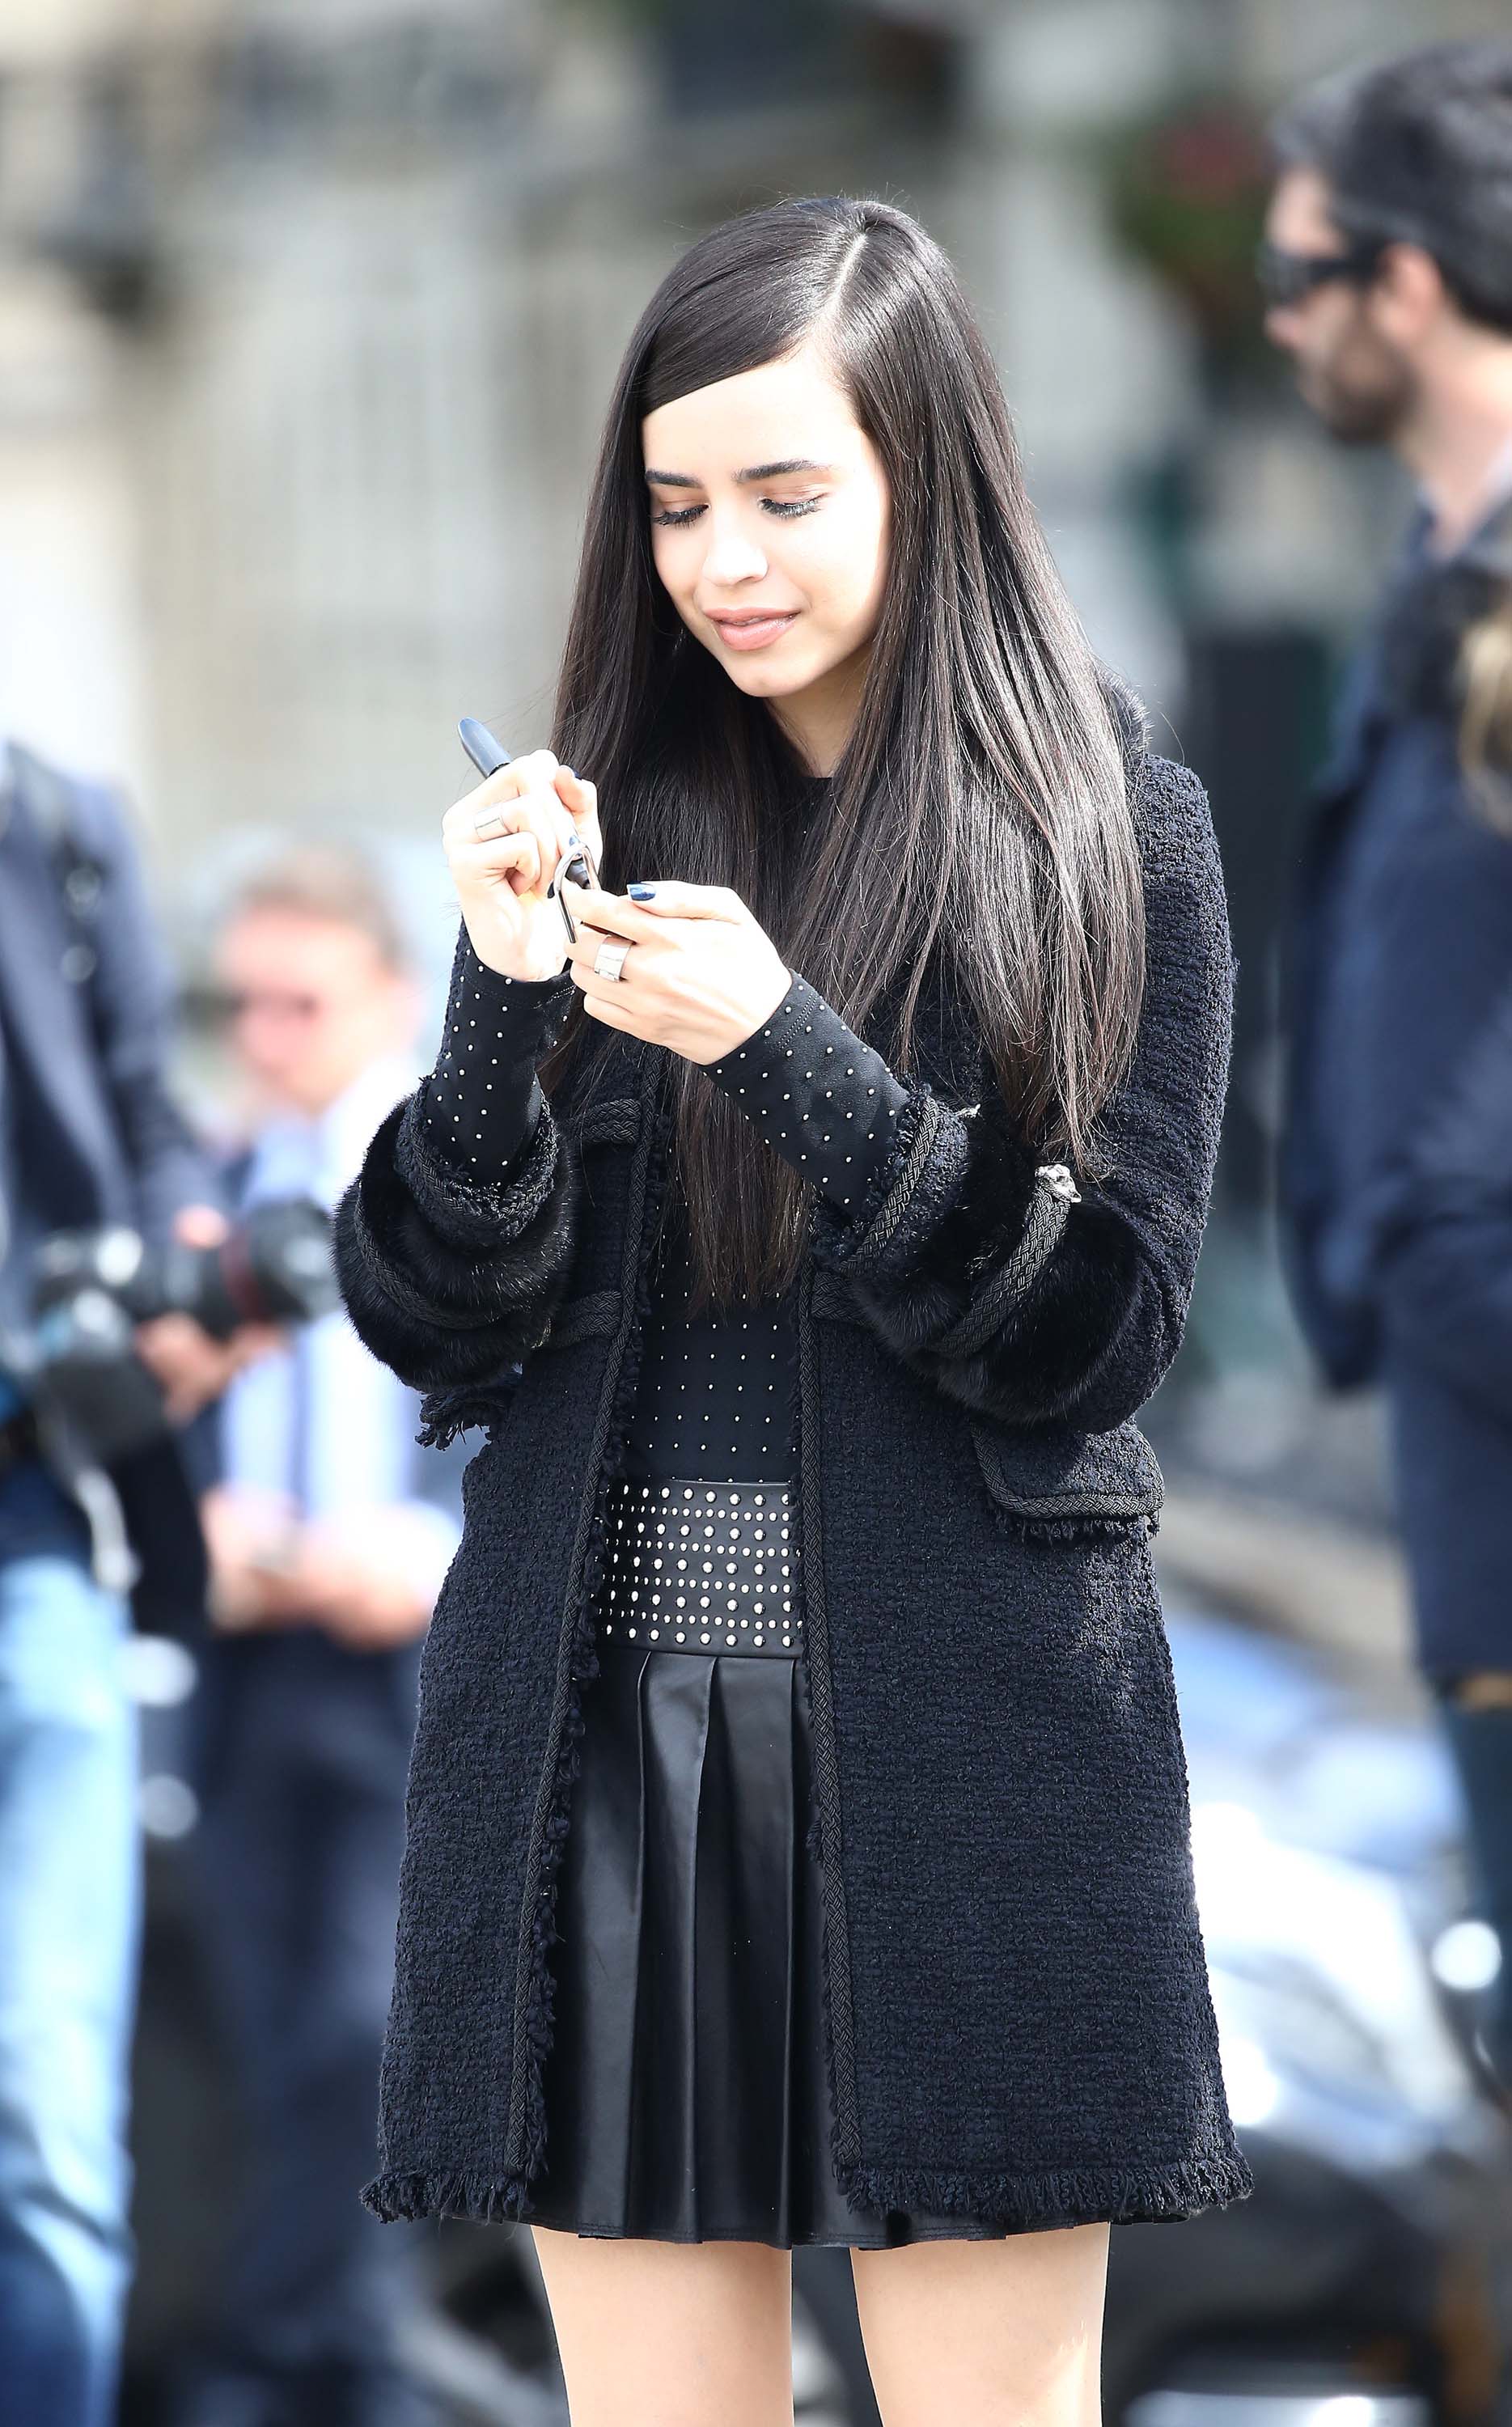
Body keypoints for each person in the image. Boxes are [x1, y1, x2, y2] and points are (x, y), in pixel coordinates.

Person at [333, 194, 1250, 2427]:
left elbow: (1099, 1337)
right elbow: (434, 1326)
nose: (721, 560)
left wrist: (792, 1061)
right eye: (673, 508)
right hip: (598, 1758)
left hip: (960, 1754)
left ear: (924, 483)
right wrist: (498, 1003)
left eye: (782, 494)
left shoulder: (1105, 833)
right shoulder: (601, 828)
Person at [0, 723, 274, 2427]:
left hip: (26, 1522)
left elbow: (150, 1125)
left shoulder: (46, 823)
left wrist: (189, 1277)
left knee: (43, 2130)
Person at [1264, 43, 1512, 2091]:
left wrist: (1429, 1246)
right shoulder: (1438, 571)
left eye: (1299, 274)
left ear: (1406, 283)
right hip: (1459, 1478)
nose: (1277, 321)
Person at [176, 849, 465, 2427]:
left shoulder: (465, 1174)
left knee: (371, 2033)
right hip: (247, 1663)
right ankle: (331, 2362)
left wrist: (427, 1558)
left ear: (391, 997)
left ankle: (314, 2367)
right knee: (276, 2037)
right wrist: (196, 1525)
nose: (265, 1035)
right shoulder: (213, 1178)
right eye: (244, 1004)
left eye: (302, 1002)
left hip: (412, 1661)